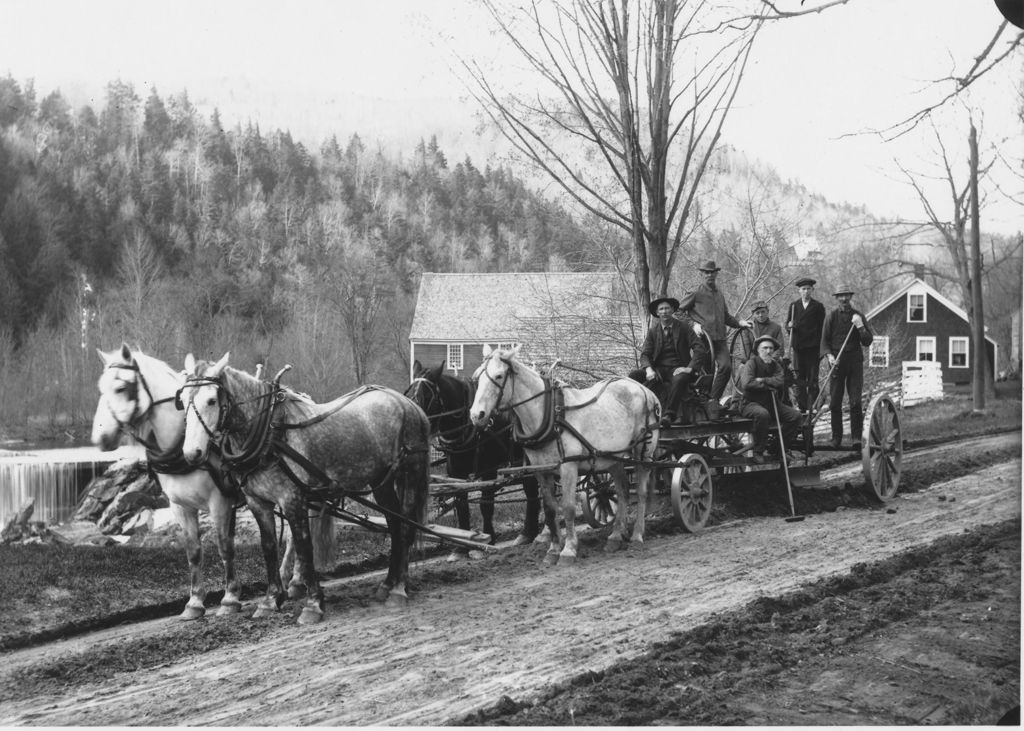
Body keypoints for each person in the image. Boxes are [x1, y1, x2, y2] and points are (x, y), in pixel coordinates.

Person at [678, 260, 751, 403]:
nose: (709, 275)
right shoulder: (695, 292)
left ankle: (713, 400)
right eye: (706, 273)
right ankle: (705, 404)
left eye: (712, 272)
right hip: (703, 341)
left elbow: (726, 317)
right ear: (702, 274)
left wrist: (740, 323)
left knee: (726, 367)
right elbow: (678, 311)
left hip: (719, 340)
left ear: (716, 274)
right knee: (706, 374)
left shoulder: (719, 294)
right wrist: (693, 324)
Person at [630, 296, 707, 428]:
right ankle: (635, 413)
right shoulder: (653, 332)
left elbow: (700, 348)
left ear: (672, 310)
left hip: (678, 369)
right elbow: (645, 354)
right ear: (657, 313)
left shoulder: (684, 328)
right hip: (659, 370)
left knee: (679, 378)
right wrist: (648, 369)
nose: (664, 311)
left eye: (667, 308)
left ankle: (669, 415)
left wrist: (689, 368)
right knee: (633, 376)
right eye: (661, 309)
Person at [820, 285, 874, 449]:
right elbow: (824, 341)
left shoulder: (859, 316)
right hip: (836, 363)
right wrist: (829, 356)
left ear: (850, 297)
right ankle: (836, 438)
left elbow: (867, 341)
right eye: (840, 296)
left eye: (846, 296)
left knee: (855, 401)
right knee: (835, 402)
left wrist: (860, 326)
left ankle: (856, 437)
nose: (843, 299)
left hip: (854, 363)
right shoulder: (831, 317)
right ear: (837, 298)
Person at [737, 335, 804, 463]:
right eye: (764, 348)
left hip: (771, 403)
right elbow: (747, 383)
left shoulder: (776, 365)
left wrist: (762, 380)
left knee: (795, 416)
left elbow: (780, 382)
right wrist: (768, 386)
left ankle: (778, 448)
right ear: (758, 350)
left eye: (771, 349)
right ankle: (758, 451)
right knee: (763, 414)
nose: (768, 351)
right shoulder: (751, 364)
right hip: (750, 403)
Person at [786, 277, 826, 412]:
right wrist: (789, 326)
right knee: (799, 378)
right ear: (799, 291)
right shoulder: (793, 306)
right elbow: (787, 325)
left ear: (812, 290)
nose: (806, 291)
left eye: (808, 289)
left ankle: (812, 405)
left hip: (813, 349)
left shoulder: (818, 307)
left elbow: (822, 329)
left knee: (812, 378)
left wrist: (821, 349)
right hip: (798, 349)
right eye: (803, 289)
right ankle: (802, 407)